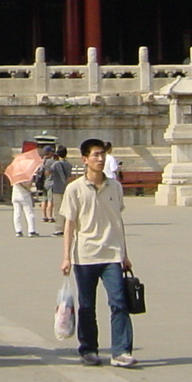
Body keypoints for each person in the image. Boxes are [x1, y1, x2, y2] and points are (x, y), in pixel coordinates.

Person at [60, 138, 136, 367]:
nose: (100, 159)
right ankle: (89, 349)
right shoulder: (74, 189)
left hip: (112, 254)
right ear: (85, 159)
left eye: (102, 154)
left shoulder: (115, 186)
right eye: (95, 155)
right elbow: (69, 224)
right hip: (85, 255)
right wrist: (66, 257)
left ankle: (121, 351)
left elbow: (118, 221)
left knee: (119, 302)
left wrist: (125, 254)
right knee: (86, 305)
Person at [42, 146, 72, 231]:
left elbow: (47, 173)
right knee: (67, 208)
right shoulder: (69, 164)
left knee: (58, 209)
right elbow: (70, 177)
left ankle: (59, 228)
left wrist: (45, 164)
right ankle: (67, 226)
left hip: (57, 187)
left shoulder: (56, 164)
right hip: (66, 188)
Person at [9, 154, 37, 237]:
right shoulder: (26, 173)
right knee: (29, 212)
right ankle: (31, 230)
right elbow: (28, 185)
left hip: (15, 195)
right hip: (24, 196)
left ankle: (18, 230)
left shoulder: (14, 173)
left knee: (17, 213)